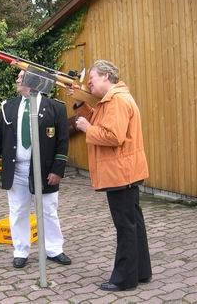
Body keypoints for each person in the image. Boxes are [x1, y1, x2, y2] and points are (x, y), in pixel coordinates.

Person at [68, 59, 152, 291]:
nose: (89, 84)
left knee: (125, 227)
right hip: (125, 172)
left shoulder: (116, 101)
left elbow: (113, 136)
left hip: (120, 174)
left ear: (106, 76)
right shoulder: (113, 100)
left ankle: (124, 279)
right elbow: (98, 118)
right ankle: (141, 272)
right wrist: (79, 102)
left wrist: (86, 129)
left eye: (91, 80)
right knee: (134, 224)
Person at [0, 70, 71, 269]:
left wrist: (58, 169)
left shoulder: (55, 107)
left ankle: (54, 249)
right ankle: (21, 251)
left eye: (21, 78)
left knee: (48, 210)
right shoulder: (8, 107)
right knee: (18, 211)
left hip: (45, 171)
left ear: (32, 81)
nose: (17, 80)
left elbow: (62, 142)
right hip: (17, 171)